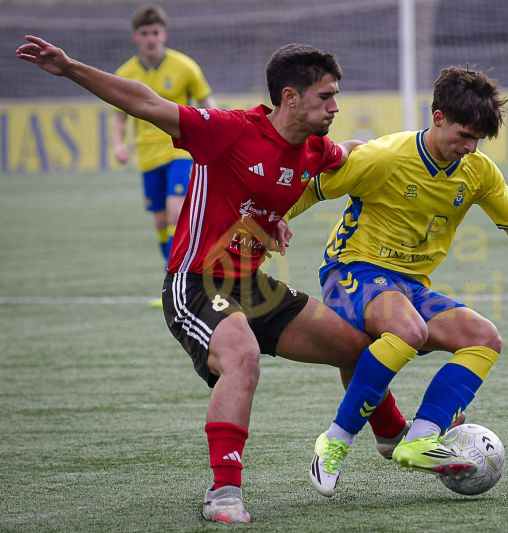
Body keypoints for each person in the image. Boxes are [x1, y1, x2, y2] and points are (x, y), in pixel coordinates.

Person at [16, 36, 411, 524]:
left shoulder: (314, 149)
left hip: (249, 283)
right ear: (290, 97)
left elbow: (348, 153)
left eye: (335, 95)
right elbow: (145, 102)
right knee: (241, 356)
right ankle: (223, 493)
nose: (335, 106)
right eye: (325, 97)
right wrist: (72, 66)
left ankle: (392, 435)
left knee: (356, 347)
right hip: (196, 282)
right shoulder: (228, 131)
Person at [284, 66, 508, 496]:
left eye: (478, 138)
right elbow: (312, 188)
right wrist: (269, 223)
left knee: (485, 338)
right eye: (463, 134)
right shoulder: (383, 157)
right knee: (407, 329)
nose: (470, 146)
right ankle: (333, 443)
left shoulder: (477, 170)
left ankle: (419, 438)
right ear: (438, 117)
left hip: (409, 286)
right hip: (351, 269)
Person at [112, 4, 217, 302]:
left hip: (180, 151)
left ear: (164, 34)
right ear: (136, 37)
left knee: (175, 211)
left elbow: (208, 102)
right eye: (145, 33)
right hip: (148, 156)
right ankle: (170, 277)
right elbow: (119, 118)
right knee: (160, 222)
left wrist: (217, 133)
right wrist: (119, 145)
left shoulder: (184, 66)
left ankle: (182, 281)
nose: (150, 38)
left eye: (155, 32)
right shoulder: (126, 74)